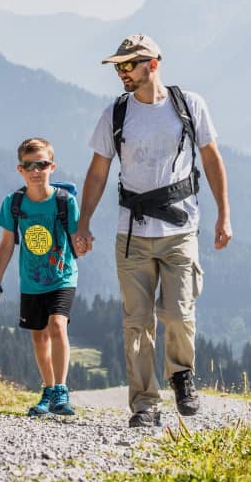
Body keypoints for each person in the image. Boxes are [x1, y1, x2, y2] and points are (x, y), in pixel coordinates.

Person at [73, 34, 232, 428]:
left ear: (153, 65)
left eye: (129, 65)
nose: (122, 72)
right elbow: (97, 171)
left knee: (179, 312)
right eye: (118, 66)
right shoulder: (116, 114)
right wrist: (84, 223)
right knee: (137, 323)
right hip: (132, 234)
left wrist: (223, 214)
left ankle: (181, 375)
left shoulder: (188, 106)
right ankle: (145, 405)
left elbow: (212, 160)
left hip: (181, 229)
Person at [0, 138, 79, 417]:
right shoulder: (13, 203)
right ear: (20, 169)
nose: (35, 170)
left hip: (63, 276)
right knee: (39, 336)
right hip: (31, 281)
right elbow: (6, 244)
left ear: (52, 166)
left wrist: (85, 244)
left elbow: (78, 237)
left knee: (57, 325)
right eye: (29, 165)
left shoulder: (65, 202)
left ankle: (61, 390)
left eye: (41, 164)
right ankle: (48, 390)